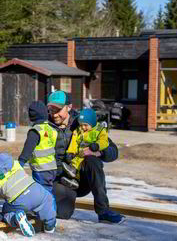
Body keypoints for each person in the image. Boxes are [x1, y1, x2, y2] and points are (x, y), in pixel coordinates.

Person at [46, 90, 124, 224]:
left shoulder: (84, 122)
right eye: (51, 109)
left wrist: (99, 153)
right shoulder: (45, 126)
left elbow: (113, 151)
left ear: (69, 107)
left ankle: (103, 211)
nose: (54, 114)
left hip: (84, 177)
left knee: (92, 161)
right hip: (63, 179)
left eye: (58, 109)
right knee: (62, 214)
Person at [0, 148, 56, 237]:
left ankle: (16, 218)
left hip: (19, 201)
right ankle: (50, 226)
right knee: (47, 200)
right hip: (35, 190)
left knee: (6, 212)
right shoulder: (9, 161)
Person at [61, 108, 108, 190]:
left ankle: (73, 174)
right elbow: (74, 142)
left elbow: (104, 141)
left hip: (91, 153)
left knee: (80, 161)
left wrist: (97, 145)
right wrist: (70, 152)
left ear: (92, 123)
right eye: (81, 124)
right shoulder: (78, 130)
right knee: (76, 160)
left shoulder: (99, 130)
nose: (83, 127)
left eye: (85, 125)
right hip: (79, 153)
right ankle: (74, 179)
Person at [18, 101, 57, 192]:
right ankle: (52, 206)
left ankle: (48, 206)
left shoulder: (35, 131)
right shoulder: (52, 129)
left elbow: (27, 151)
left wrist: (19, 164)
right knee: (49, 191)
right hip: (52, 168)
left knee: (43, 194)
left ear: (32, 116)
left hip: (41, 170)